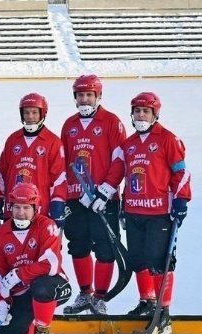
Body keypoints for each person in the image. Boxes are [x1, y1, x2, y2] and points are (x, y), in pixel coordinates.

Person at [120, 92, 191, 334]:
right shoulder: (128, 144)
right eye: (137, 111)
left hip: (159, 212)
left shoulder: (168, 139)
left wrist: (181, 199)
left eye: (146, 111)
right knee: (138, 259)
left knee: (159, 262)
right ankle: (147, 302)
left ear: (155, 114)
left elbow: (181, 173)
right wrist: (122, 204)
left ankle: (163, 314)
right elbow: (128, 178)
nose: (141, 115)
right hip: (133, 211)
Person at [60, 75, 126, 315]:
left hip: (103, 199)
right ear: (75, 97)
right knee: (78, 245)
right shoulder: (69, 125)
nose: (84, 99)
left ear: (98, 96)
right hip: (76, 197)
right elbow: (64, 161)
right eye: (80, 95)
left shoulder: (111, 122)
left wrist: (106, 189)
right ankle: (85, 293)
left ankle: (99, 297)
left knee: (105, 248)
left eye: (89, 94)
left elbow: (120, 159)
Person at [0, 183, 72, 334]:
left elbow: (50, 264)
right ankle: (30, 322)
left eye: (26, 207)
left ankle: (42, 331)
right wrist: (1, 301)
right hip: (22, 293)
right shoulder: (0, 233)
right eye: (17, 207)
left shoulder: (47, 225)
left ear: (36, 208)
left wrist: (18, 274)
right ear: (10, 207)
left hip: (53, 286)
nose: (21, 212)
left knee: (41, 288)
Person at [0, 93, 66, 225]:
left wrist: (58, 201)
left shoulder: (53, 141)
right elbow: (1, 173)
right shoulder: (13, 139)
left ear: (42, 113)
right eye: (26, 112)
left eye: (34, 112)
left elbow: (59, 177)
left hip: (40, 209)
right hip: (14, 208)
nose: (30, 117)